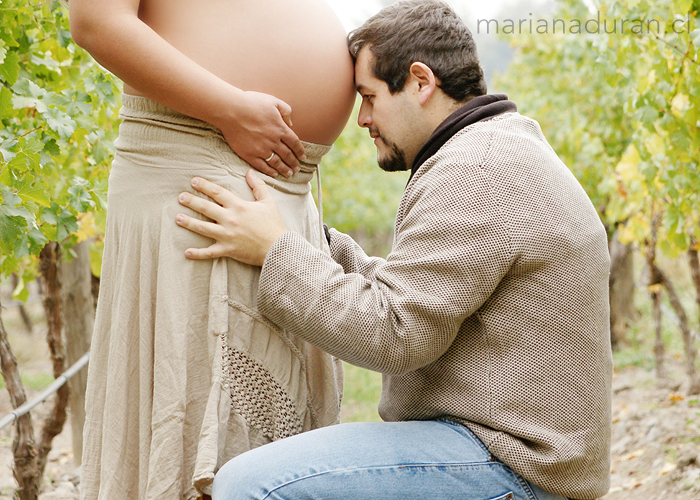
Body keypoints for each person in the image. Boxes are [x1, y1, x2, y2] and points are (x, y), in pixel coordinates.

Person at [175, 1, 613, 499]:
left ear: (420, 82)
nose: (362, 119)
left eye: (369, 96)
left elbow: (395, 335)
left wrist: (276, 249)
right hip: (510, 452)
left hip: (510, 465)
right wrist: (312, 241)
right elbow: (419, 293)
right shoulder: (497, 148)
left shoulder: (475, 170)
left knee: (251, 485)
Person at [68, 0, 355, 498]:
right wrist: (229, 108)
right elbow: (96, 21)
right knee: (199, 425)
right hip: (198, 171)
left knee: (266, 442)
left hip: (280, 192)